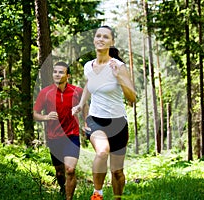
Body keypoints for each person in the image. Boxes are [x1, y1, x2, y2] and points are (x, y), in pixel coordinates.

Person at [72, 25, 136, 200]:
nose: (101, 39)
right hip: (95, 119)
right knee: (102, 151)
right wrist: (80, 104)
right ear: (94, 39)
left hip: (118, 122)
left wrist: (119, 77)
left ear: (112, 42)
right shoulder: (88, 66)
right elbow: (89, 84)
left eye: (105, 37)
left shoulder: (119, 66)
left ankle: (117, 198)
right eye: (98, 36)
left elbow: (132, 98)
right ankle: (97, 194)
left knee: (117, 172)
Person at [33, 61, 88, 200]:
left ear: (68, 75)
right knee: (59, 172)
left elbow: (85, 106)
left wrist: (86, 122)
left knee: (70, 170)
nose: (57, 74)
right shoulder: (45, 93)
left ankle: (68, 198)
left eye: (61, 72)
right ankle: (63, 191)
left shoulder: (77, 91)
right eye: (55, 72)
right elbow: (34, 113)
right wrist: (45, 117)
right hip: (54, 137)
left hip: (72, 136)